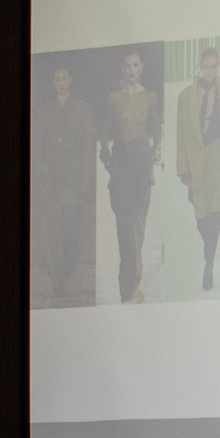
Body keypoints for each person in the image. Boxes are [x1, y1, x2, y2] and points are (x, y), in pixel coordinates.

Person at [175, 46, 220, 292]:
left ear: (219, 67)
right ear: (199, 67)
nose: (210, 71)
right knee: (201, 215)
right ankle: (209, 254)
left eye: (214, 66)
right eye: (206, 66)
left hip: (219, 158)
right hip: (196, 160)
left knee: (215, 215)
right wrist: (183, 168)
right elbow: (181, 134)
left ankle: (209, 264)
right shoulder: (185, 96)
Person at [35, 63, 98, 305]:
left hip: (73, 179)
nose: (61, 83)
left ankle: (69, 268)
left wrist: (85, 183)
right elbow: (38, 148)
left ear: (71, 80)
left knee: (71, 230)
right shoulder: (43, 112)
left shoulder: (83, 110)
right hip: (50, 178)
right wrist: (41, 174)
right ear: (53, 83)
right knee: (52, 232)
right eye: (56, 79)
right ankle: (58, 279)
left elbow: (87, 149)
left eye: (64, 78)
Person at [102, 50, 159, 302]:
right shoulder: (114, 98)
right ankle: (127, 287)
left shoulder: (150, 97)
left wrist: (154, 154)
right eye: (127, 66)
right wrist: (108, 160)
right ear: (122, 70)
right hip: (122, 163)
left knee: (138, 223)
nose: (131, 70)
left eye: (136, 65)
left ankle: (133, 279)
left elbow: (156, 133)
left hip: (141, 162)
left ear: (141, 67)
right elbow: (105, 133)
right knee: (125, 225)